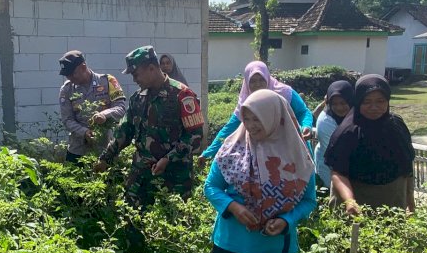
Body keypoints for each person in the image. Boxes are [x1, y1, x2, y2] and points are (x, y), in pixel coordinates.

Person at [204, 89, 316, 253]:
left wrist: (286, 220)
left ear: (276, 118)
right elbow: (211, 187)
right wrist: (232, 207)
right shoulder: (233, 147)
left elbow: (309, 201)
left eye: (258, 119)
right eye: (247, 119)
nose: (252, 126)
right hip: (231, 244)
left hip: (274, 250)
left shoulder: (298, 154)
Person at [94, 45, 204, 208]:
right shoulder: (137, 98)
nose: (134, 79)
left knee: (171, 225)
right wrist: (106, 158)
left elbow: (195, 136)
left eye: (136, 74)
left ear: (152, 68)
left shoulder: (182, 95)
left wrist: (168, 158)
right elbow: (124, 131)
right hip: (141, 177)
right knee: (133, 222)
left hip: (174, 178)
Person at [324, 75, 415, 215]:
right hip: (356, 200)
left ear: (388, 101)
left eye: (380, 101)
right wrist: (350, 201)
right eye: (367, 102)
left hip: (393, 200)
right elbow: (337, 172)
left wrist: (410, 201)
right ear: (358, 101)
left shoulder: (396, 127)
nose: (374, 107)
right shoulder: (348, 132)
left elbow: (407, 166)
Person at [200, 61, 313, 161]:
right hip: (265, 150)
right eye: (253, 81)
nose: (258, 85)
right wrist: (208, 153)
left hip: (292, 143)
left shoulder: (284, 92)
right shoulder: (246, 101)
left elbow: (303, 112)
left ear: (267, 78)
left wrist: (306, 126)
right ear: (247, 82)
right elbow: (229, 128)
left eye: (261, 80)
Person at [58, 50, 126, 163]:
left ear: (83, 67)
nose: (69, 78)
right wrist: (84, 132)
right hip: (78, 150)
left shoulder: (108, 81)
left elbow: (121, 107)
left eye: (72, 73)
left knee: (107, 180)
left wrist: (105, 115)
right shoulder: (66, 90)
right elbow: (67, 119)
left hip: (105, 149)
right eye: (67, 75)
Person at [314, 81, 354, 187]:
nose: (339, 108)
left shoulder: (357, 112)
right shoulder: (325, 121)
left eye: (343, 103)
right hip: (330, 165)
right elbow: (336, 154)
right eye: (334, 104)